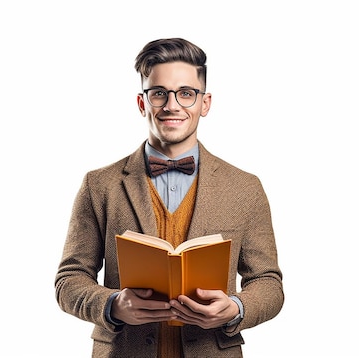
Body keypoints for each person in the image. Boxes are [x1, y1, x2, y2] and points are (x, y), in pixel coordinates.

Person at [54, 37, 284, 357]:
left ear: (205, 103)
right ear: (142, 103)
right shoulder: (99, 185)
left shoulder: (245, 187)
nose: (172, 105)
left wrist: (236, 308)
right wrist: (112, 305)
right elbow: (69, 280)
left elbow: (268, 283)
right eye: (159, 93)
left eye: (186, 93)